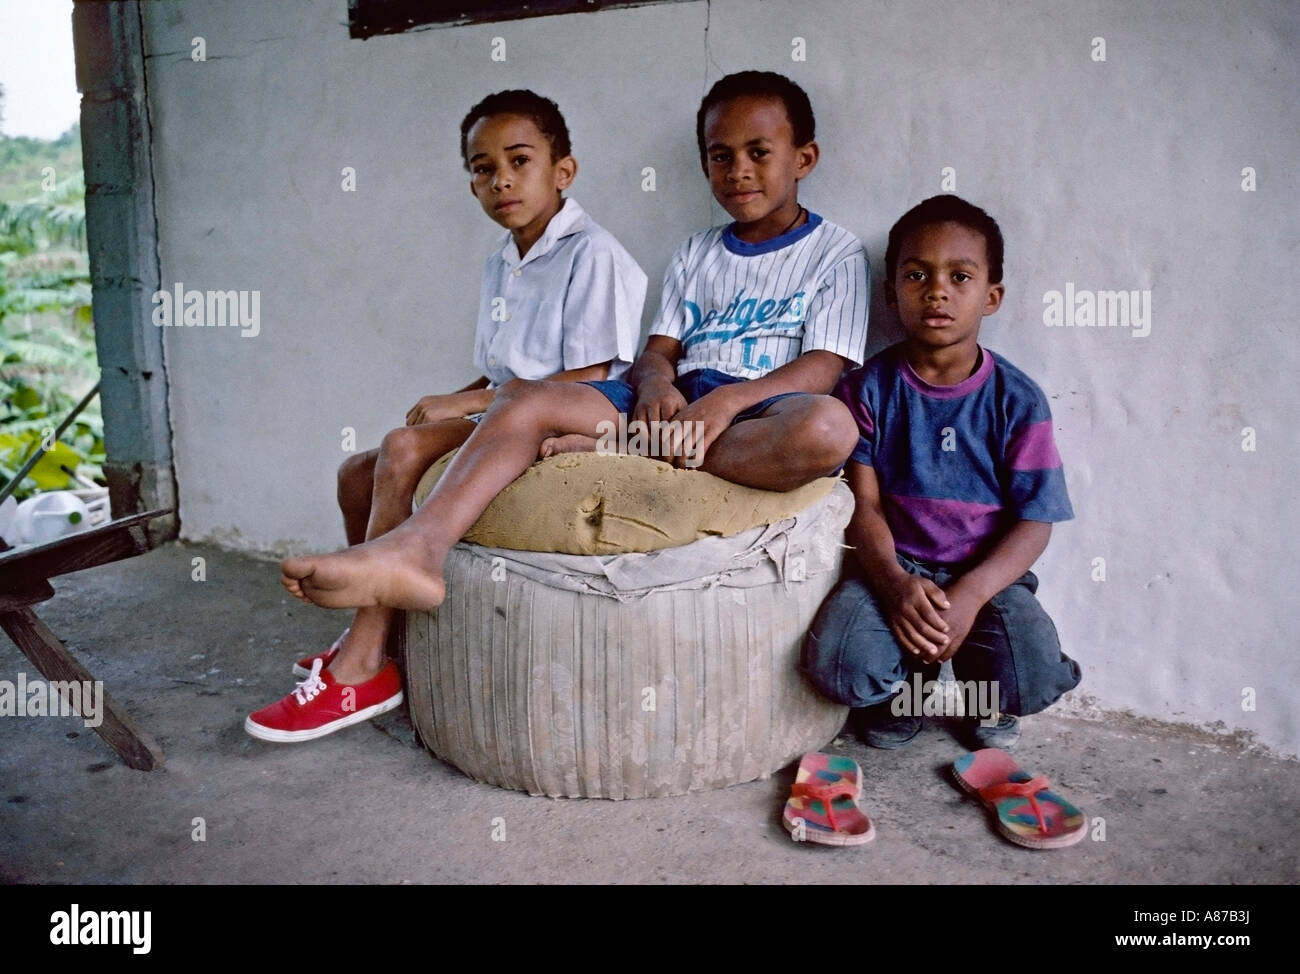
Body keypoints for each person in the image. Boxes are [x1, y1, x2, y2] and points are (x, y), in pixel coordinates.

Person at [277, 70, 868, 629]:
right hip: (670, 403)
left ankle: (628, 449)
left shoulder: (835, 251)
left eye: (758, 153)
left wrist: (730, 402)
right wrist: (658, 382)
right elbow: (656, 351)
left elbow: (825, 364)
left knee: (828, 429)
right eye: (721, 156)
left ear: (804, 159)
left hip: (761, 407)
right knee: (526, 400)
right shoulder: (697, 251)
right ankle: (417, 549)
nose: (739, 170)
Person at [245, 89, 646, 742]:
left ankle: (361, 671)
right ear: (471, 186)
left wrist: (462, 405)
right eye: (482, 168)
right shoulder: (502, 261)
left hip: (565, 419)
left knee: (404, 448)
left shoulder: (593, 254)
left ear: (562, 171)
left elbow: (591, 375)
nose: (501, 180)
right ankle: (372, 632)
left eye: (519, 160)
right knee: (356, 472)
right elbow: (502, 368)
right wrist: (459, 393)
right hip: (505, 408)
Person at [803, 195, 1081, 751]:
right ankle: (907, 685)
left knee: (1032, 674)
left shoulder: (1017, 401)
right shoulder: (867, 392)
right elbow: (864, 506)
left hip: (984, 573)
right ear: (891, 293)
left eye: (960, 276)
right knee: (838, 665)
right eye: (916, 274)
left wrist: (973, 594)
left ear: (991, 297)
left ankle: (988, 699)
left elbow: (1036, 521)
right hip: (893, 568)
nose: (937, 290)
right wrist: (895, 584)